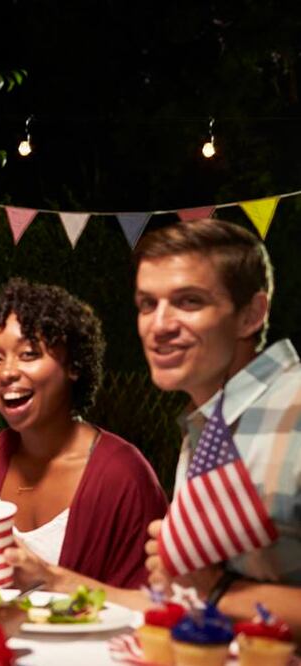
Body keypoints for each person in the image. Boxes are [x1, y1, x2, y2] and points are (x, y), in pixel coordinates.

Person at [0, 279, 168, 589]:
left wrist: (51, 581)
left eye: (28, 354)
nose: (7, 372)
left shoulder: (123, 476)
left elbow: (154, 603)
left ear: (74, 366)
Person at [136, 219, 301, 633]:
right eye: (146, 304)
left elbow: (203, 585)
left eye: (189, 302)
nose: (159, 326)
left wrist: (214, 587)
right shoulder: (209, 419)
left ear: (251, 315)